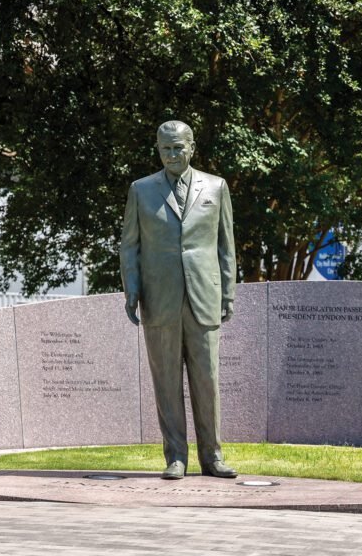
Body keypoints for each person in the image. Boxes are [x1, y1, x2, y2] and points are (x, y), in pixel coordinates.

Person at [119, 120, 238, 480]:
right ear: (158, 150)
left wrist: (228, 292)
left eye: (178, 147)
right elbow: (130, 245)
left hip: (204, 296)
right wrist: (132, 290)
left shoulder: (216, 187)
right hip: (159, 299)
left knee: (207, 379)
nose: (172, 154)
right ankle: (176, 457)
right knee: (166, 382)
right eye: (165, 148)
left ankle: (213, 456)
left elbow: (225, 245)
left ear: (191, 147)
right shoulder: (141, 190)